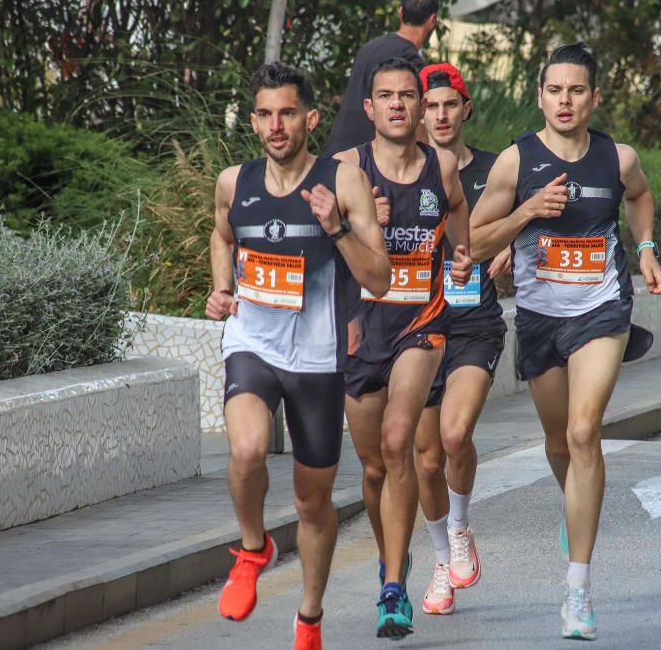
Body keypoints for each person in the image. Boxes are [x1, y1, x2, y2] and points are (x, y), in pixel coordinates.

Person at [469, 42, 661, 641]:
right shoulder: (515, 162)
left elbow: (640, 197)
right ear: (540, 97)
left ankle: (577, 590)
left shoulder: (617, 158)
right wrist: (526, 212)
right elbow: (474, 243)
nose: (565, 101)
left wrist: (648, 246)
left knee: (584, 432)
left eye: (577, 90)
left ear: (594, 97)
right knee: (559, 440)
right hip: (539, 318)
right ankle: (573, 500)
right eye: (555, 90)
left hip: (602, 310)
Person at [207, 61, 391, 650]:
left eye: (287, 113)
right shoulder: (234, 182)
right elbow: (222, 235)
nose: (275, 125)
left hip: (318, 357)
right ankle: (253, 547)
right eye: (264, 114)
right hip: (252, 343)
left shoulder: (343, 182)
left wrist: (336, 228)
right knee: (246, 448)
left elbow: (381, 278)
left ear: (310, 117)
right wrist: (222, 289)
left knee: (313, 502)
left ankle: (309, 617)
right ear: (254, 120)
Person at [332, 57, 473, 640]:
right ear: (370, 109)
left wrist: (461, 251)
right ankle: (396, 554)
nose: (397, 104)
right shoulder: (345, 169)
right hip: (362, 330)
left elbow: (459, 207)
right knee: (371, 468)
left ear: (421, 107)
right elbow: (320, 237)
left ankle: (393, 589)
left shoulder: (440, 165)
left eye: (407, 96)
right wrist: (362, 221)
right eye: (385, 96)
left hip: (423, 322)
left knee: (399, 443)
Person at [412, 62, 510, 616]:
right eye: (432, 106)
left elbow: (528, 223)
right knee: (426, 463)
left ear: (465, 109)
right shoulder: (407, 171)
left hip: (475, 324)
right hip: (421, 328)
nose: (441, 114)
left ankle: (461, 528)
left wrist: (514, 245)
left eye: (451, 104)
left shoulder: (497, 169)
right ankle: (439, 561)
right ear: (420, 114)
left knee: (454, 437)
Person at [324, 0, 438, 157]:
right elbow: (418, 121)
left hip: (337, 150)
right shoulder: (411, 63)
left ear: (400, 13)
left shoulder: (370, 47)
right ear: (432, 20)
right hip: (367, 163)